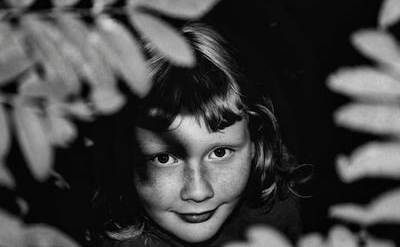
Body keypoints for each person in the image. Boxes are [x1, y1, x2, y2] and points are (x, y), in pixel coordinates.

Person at [91, 23, 302, 247]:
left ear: (256, 145)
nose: (198, 192)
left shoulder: (278, 214)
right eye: (164, 159)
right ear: (124, 159)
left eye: (220, 152)